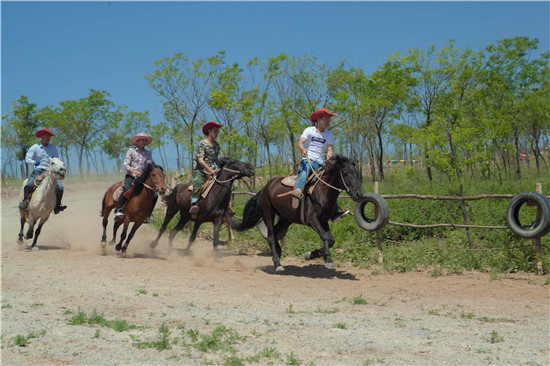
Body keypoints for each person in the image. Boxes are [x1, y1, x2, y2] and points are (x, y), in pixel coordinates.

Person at [291, 108, 349, 223]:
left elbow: (330, 148)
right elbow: (300, 143)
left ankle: (335, 212)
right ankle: (297, 192)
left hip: (321, 162)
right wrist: (303, 150)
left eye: (329, 119)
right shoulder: (309, 130)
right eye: (326, 119)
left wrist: (329, 155)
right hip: (309, 159)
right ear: (318, 119)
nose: (328, 122)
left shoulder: (329, 134)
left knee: (330, 182)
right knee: (305, 169)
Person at [19, 128, 67, 214]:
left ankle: (57, 205)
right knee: (29, 184)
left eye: (50, 136)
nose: (48, 138)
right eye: (47, 136)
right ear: (41, 136)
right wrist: (34, 162)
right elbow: (27, 159)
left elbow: (56, 159)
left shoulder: (53, 148)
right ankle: (26, 202)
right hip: (38, 171)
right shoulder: (34, 147)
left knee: (60, 187)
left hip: (51, 172)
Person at [113, 132, 157, 223]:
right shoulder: (131, 151)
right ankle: (117, 210)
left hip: (143, 177)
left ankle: (147, 215)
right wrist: (134, 171)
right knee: (127, 189)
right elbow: (126, 165)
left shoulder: (148, 152)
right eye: (142, 140)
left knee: (154, 195)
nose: (144, 142)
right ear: (137, 141)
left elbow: (149, 164)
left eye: (145, 140)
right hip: (131, 175)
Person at [190, 121, 222, 217]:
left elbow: (216, 160)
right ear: (209, 131)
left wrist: (222, 168)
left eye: (218, 132)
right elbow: (200, 160)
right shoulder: (202, 144)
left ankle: (224, 208)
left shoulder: (216, 145)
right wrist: (210, 170)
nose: (217, 134)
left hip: (213, 170)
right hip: (201, 171)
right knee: (198, 184)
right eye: (215, 131)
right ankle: (193, 205)